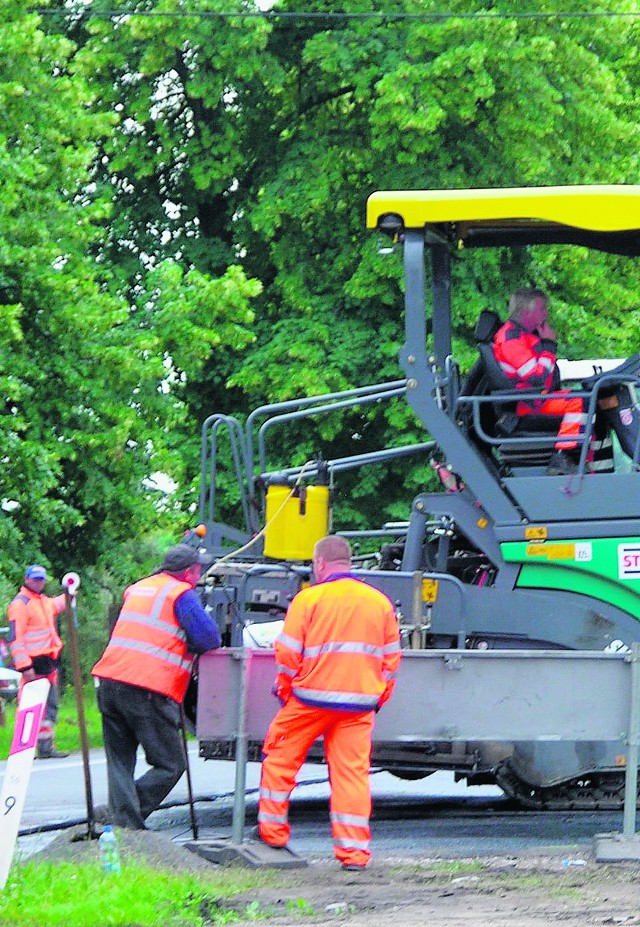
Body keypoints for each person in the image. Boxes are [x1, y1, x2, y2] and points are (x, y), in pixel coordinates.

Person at [256, 535, 402, 870]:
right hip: (358, 707)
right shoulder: (379, 602)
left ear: (319, 564)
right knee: (352, 776)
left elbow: (287, 654)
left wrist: (285, 690)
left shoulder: (309, 599)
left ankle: (273, 835)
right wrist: (376, 699)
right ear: (349, 563)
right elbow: (392, 661)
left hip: (308, 701)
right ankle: (354, 854)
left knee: (278, 758)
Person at [92, 543, 221, 829]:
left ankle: (123, 820)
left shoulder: (137, 588)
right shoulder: (180, 594)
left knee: (120, 762)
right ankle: (128, 818)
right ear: (190, 572)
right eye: (198, 570)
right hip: (146, 687)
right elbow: (210, 638)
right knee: (171, 765)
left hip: (110, 681)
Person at [492, 288, 587, 475]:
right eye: (543, 309)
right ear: (526, 312)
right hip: (530, 403)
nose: (547, 313)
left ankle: (588, 462)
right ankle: (562, 456)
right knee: (580, 401)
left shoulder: (525, 335)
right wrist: (549, 345)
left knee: (590, 399)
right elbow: (536, 377)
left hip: (539, 398)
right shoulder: (512, 340)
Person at [7, 564, 70, 759]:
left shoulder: (42, 601)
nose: (38, 582)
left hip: (47, 662)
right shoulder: (20, 604)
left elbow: (59, 604)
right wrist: (25, 666)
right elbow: (15, 638)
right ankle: (24, 749)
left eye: (41, 579)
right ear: (26, 579)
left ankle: (45, 747)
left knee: (49, 707)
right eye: (35, 579)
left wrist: (70, 589)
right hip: (32, 665)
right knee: (31, 707)